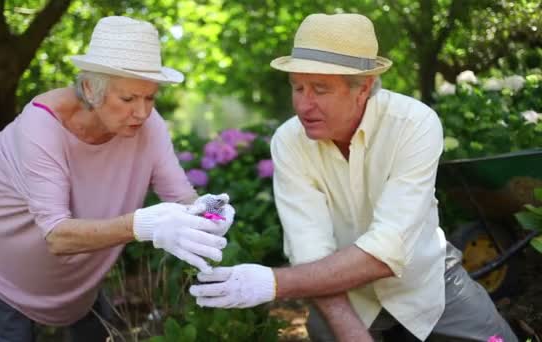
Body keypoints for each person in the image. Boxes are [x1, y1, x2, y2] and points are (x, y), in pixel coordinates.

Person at [189, 13, 518, 342]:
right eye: (298, 88)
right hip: (340, 295)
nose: (304, 105)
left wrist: (273, 283)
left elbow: (387, 251)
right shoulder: (289, 142)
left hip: (425, 282)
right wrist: (351, 333)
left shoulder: (414, 124)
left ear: (362, 89)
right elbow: (311, 254)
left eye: (320, 89)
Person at [0, 16, 234, 342]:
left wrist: (207, 212)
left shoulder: (148, 125)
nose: (143, 113)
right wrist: (142, 226)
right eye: (129, 99)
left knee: (92, 328)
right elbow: (58, 237)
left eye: (150, 98)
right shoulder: (42, 127)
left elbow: (180, 196)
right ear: (90, 88)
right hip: (4, 258)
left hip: (80, 271)